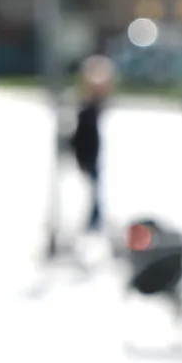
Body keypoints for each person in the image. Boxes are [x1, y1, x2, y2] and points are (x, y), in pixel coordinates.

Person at [70, 55, 113, 235]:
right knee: (92, 192)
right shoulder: (87, 110)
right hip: (89, 156)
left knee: (95, 192)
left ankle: (95, 220)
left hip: (92, 155)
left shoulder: (93, 109)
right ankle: (93, 220)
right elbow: (82, 137)